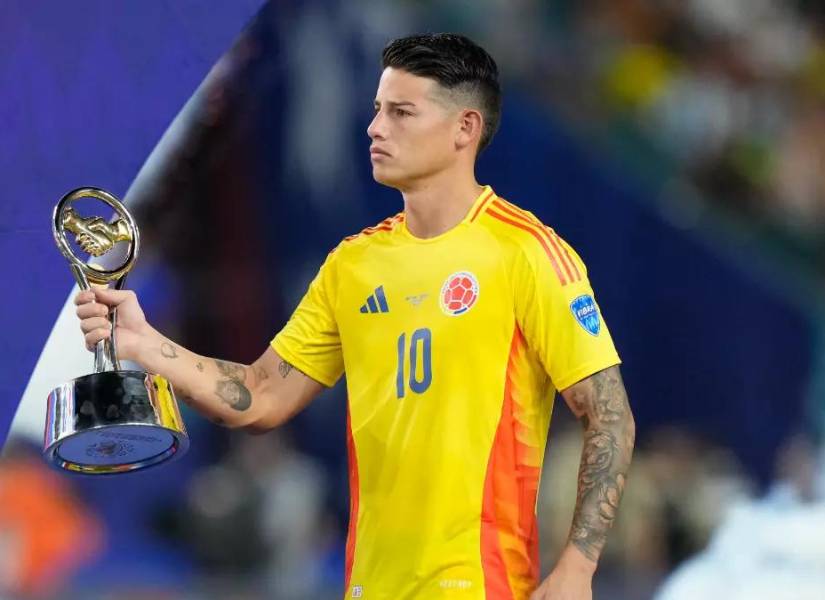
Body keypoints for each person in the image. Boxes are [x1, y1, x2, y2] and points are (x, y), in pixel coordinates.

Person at [75, 33, 635, 600]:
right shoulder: (353, 265)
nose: (375, 127)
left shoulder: (527, 252)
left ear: (464, 128)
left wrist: (578, 568)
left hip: (478, 585)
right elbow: (260, 393)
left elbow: (610, 415)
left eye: (401, 112)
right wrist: (144, 343)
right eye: (376, 111)